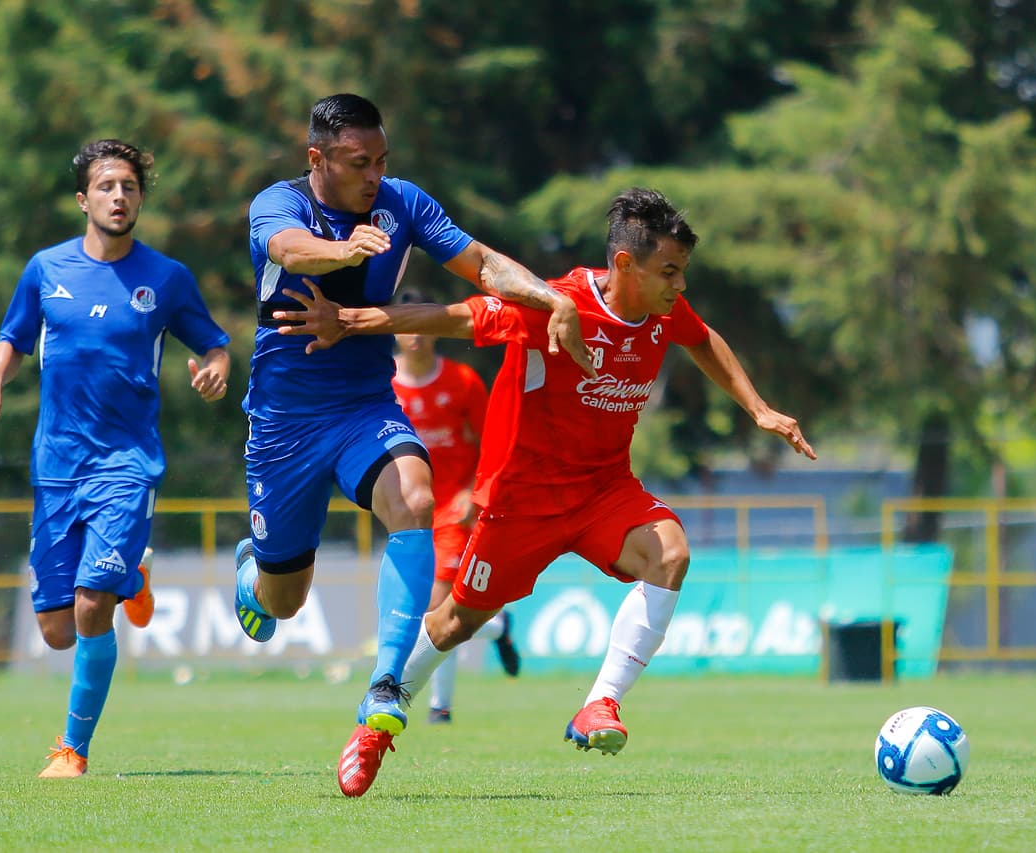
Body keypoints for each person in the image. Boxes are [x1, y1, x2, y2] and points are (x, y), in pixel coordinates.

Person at [273, 187, 816, 796]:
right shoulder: (556, 305)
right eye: (670, 271)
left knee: (670, 555)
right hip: (522, 503)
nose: (679, 286)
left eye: (683, 272)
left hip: (605, 491)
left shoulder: (662, 311)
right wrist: (349, 321)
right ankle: (373, 727)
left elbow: (702, 338)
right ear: (624, 265)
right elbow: (456, 316)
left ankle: (600, 705)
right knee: (454, 622)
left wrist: (760, 409)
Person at [232, 93, 592, 784]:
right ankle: (254, 573)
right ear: (318, 159)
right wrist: (343, 249)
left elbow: (484, 265)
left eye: (381, 160)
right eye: (357, 163)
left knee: (415, 496)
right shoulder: (278, 204)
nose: (373, 175)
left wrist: (552, 298)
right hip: (284, 425)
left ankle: (386, 683)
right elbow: (286, 249)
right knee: (283, 601)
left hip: (365, 405)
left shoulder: (402, 203)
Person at [0, 139, 231, 778]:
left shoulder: (166, 278)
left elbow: (215, 344)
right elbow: (12, 336)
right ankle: (133, 579)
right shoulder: (45, 268)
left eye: (130, 187)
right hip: (56, 465)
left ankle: (71, 750)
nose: (120, 197)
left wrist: (217, 370)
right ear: (84, 199)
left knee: (91, 604)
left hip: (126, 462)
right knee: (57, 631)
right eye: (108, 187)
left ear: (141, 198)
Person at [390, 290, 520, 725]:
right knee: (437, 612)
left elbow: (493, 441)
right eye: (406, 324)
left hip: (451, 510)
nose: (416, 335)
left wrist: (474, 492)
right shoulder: (381, 385)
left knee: (435, 607)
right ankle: (499, 627)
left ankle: (438, 706)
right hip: (404, 511)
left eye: (423, 324)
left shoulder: (462, 381)